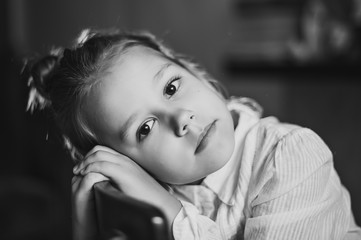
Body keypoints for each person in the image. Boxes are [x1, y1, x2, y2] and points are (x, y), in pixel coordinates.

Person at [26, 28, 361, 240]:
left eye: (172, 86)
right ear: (123, 164)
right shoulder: (146, 197)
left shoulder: (291, 156)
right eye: (145, 128)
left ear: (194, 73)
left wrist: (171, 215)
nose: (181, 118)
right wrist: (86, 226)